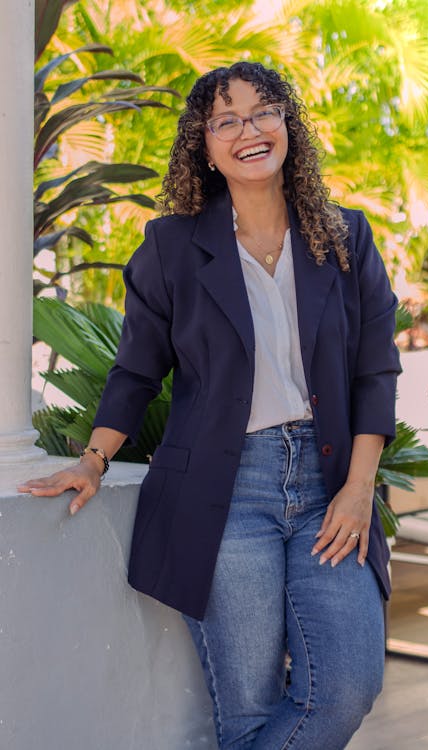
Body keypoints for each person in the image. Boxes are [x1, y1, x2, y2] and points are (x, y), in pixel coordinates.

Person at [19, 62, 401, 749]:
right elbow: (137, 369)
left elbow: (376, 370)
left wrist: (357, 489)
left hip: (329, 490)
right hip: (224, 495)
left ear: (288, 123)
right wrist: (94, 458)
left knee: (346, 685)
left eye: (262, 112)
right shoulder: (171, 248)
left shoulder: (346, 236)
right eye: (226, 120)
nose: (247, 130)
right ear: (204, 144)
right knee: (247, 713)